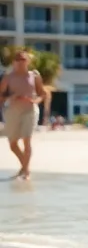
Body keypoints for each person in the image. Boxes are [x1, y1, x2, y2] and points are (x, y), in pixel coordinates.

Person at [1, 48, 48, 180]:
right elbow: (1, 96)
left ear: (28, 61)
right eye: (18, 59)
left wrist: (36, 101)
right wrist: (11, 97)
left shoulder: (34, 76)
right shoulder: (8, 77)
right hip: (13, 111)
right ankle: (24, 167)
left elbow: (42, 93)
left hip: (30, 110)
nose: (20, 62)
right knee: (13, 144)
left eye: (23, 59)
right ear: (14, 62)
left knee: (27, 140)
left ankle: (26, 172)